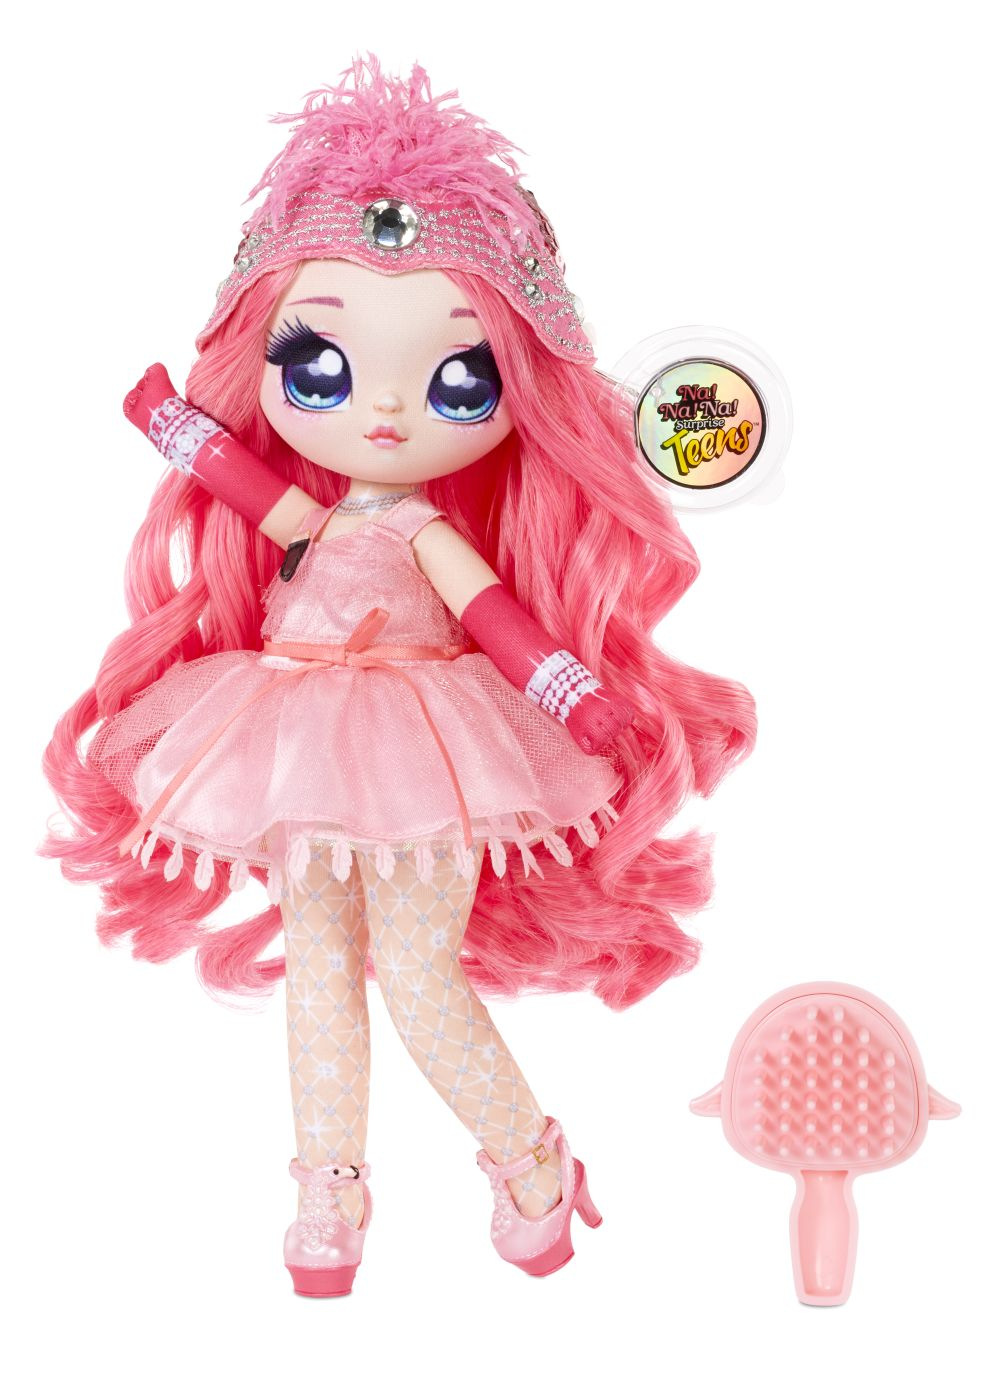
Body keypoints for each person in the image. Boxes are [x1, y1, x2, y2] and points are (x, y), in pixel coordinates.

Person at [41, 53, 755, 1296]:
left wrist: (571, 695)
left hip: (430, 745)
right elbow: (247, 487)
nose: (379, 414)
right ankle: (328, 1190)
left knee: (417, 972)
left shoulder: (426, 531)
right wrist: (173, 424)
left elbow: (495, 618)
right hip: (294, 727)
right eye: (319, 366)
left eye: (456, 378)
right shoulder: (316, 521)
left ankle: (529, 1160)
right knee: (320, 969)